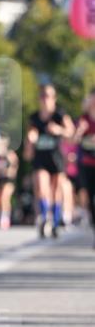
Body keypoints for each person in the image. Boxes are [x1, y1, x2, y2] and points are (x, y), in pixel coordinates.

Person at [24, 84, 74, 239]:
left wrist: (59, 130)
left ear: (54, 98)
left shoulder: (59, 115)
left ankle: (56, 220)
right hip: (41, 158)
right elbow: (30, 135)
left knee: (56, 190)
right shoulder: (34, 117)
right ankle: (44, 217)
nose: (46, 99)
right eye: (43, 96)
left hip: (56, 157)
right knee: (41, 184)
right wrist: (30, 141)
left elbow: (71, 133)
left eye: (49, 96)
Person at [74, 87, 95, 245]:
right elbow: (73, 141)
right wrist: (79, 131)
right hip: (86, 164)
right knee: (90, 199)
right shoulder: (83, 120)